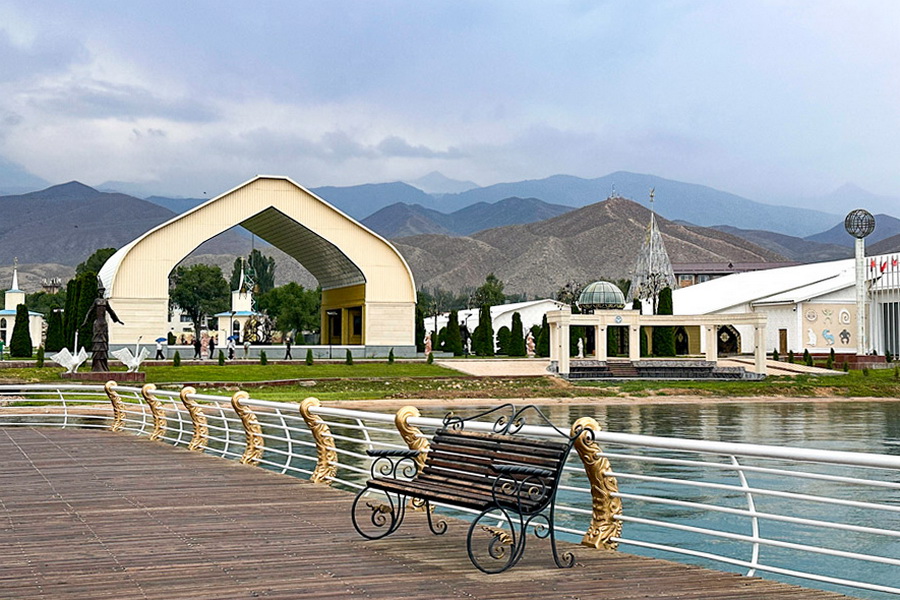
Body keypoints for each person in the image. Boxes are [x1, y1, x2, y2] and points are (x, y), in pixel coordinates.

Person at [80, 281, 124, 372]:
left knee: (103, 345)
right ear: (98, 292)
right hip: (97, 325)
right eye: (100, 291)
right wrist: (85, 322)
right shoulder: (96, 301)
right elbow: (90, 312)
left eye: (102, 291)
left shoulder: (105, 301)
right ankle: (97, 365)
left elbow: (111, 312)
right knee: (97, 344)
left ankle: (103, 365)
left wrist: (117, 320)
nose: (101, 292)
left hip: (103, 324)